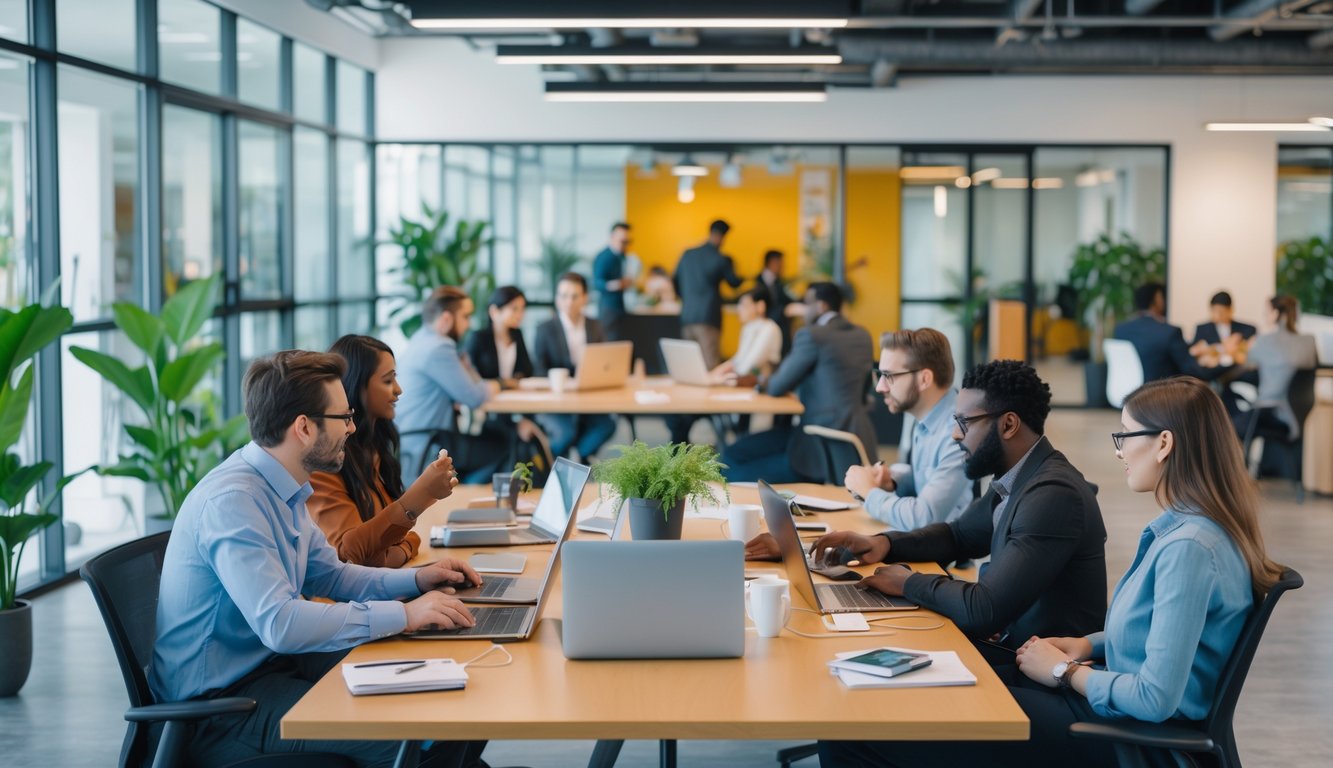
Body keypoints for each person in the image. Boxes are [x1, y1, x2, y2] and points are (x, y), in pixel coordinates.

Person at [820, 376, 1283, 768]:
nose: (1119, 451)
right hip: (1104, 707)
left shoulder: (1188, 548)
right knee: (913, 698)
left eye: (1125, 437)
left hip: (1124, 739)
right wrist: (1086, 645)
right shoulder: (1191, 530)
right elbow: (1159, 633)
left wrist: (1064, 670)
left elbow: (1154, 698)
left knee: (859, 725)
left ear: (1164, 443)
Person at [151, 350, 485, 767]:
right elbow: (281, 623)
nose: (352, 427)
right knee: (414, 738)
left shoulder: (283, 487)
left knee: (446, 694)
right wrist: (404, 616)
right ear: (304, 428)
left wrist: (417, 582)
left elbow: (333, 577)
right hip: (222, 711)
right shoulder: (233, 502)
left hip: (277, 671)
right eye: (343, 417)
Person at [780, 360, 1107, 660]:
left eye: (965, 423)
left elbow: (984, 609)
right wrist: (885, 544)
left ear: (1008, 425)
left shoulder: (1052, 495)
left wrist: (908, 583)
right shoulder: (1017, 478)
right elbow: (957, 536)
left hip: (1042, 674)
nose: (954, 435)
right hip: (1013, 649)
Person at [308, 335, 458, 567]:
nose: (398, 390)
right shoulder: (327, 460)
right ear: (357, 386)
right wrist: (420, 494)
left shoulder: (374, 448)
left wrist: (391, 553)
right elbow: (350, 555)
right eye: (388, 381)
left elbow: (405, 538)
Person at [721, 282, 877, 483]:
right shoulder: (862, 335)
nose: (803, 310)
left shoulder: (811, 335)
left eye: (806, 303)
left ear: (821, 306)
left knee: (730, 463)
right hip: (855, 443)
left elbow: (778, 385)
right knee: (739, 451)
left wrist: (759, 380)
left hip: (817, 445)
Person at [843, 328, 972, 530]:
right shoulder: (926, 418)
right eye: (880, 375)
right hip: (920, 541)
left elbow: (925, 516)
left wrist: (870, 492)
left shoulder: (958, 433)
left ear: (924, 379)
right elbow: (927, 479)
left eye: (889, 376)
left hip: (944, 556)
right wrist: (893, 482)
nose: (880, 387)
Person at [396, 286, 509, 485]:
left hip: (412, 441)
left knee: (491, 439)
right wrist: (495, 386)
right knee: (505, 446)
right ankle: (463, 495)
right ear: (447, 319)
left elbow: (464, 390)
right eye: (465, 317)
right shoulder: (439, 347)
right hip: (431, 443)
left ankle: (462, 491)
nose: (468, 324)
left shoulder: (420, 340)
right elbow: (473, 397)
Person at [666, 284, 784, 443]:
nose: (739, 310)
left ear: (760, 306)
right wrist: (710, 375)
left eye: (744, 305)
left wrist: (718, 379)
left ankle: (687, 454)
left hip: (758, 394)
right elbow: (737, 360)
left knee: (685, 416)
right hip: (740, 389)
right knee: (679, 416)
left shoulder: (770, 329)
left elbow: (748, 366)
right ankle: (682, 453)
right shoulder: (749, 328)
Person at [532, 272, 617, 461]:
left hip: (588, 397)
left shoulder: (596, 326)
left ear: (585, 298)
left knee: (608, 425)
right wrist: (562, 381)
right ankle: (555, 463)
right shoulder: (544, 329)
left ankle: (581, 454)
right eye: (563, 296)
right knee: (565, 433)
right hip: (557, 399)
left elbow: (605, 362)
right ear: (556, 298)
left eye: (574, 296)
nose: (568, 302)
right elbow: (538, 369)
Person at [1234, 295, 1318, 442]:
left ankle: (1241, 464)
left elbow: (1246, 363)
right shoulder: (1309, 341)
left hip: (1270, 412)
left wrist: (1246, 347)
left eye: (1267, 311)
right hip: (1299, 414)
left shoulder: (1264, 341)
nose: (1264, 315)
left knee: (1226, 426)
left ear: (1276, 313)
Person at [1114, 282, 1220, 383]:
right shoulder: (1169, 332)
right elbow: (1191, 369)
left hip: (1128, 394)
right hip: (1160, 393)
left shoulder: (1120, 329)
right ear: (1157, 299)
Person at [674, 219, 743, 368]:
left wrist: (686, 299)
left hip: (687, 317)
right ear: (722, 236)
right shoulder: (720, 259)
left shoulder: (687, 254)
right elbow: (734, 283)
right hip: (708, 318)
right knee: (710, 367)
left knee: (689, 367)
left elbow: (675, 281)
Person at [592, 222, 632, 340]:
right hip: (608, 309)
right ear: (612, 237)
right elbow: (596, 282)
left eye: (627, 241)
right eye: (622, 241)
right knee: (610, 341)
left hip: (620, 307)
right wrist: (616, 285)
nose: (624, 244)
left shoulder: (621, 256)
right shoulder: (604, 257)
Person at [757, 249, 796, 354]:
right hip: (764, 325)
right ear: (773, 262)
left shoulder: (780, 282)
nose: (783, 267)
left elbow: (787, 300)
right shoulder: (756, 282)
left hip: (780, 326)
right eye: (780, 263)